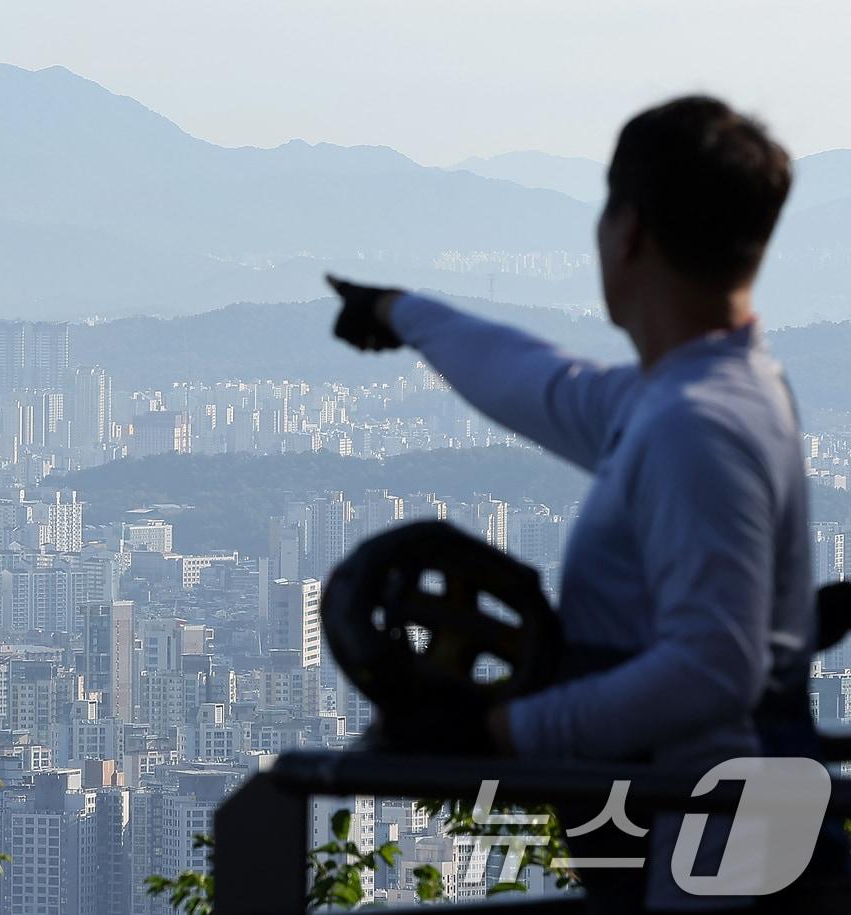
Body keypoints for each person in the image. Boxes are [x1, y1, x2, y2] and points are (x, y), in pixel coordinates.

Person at [329, 96, 827, 912]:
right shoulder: (700, 393)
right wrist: (402, 312)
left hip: (712, 850)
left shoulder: (697, 424)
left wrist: (503, 735)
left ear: (627, 231)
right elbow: (546, 384)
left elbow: (713, 666)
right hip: (701, 825)